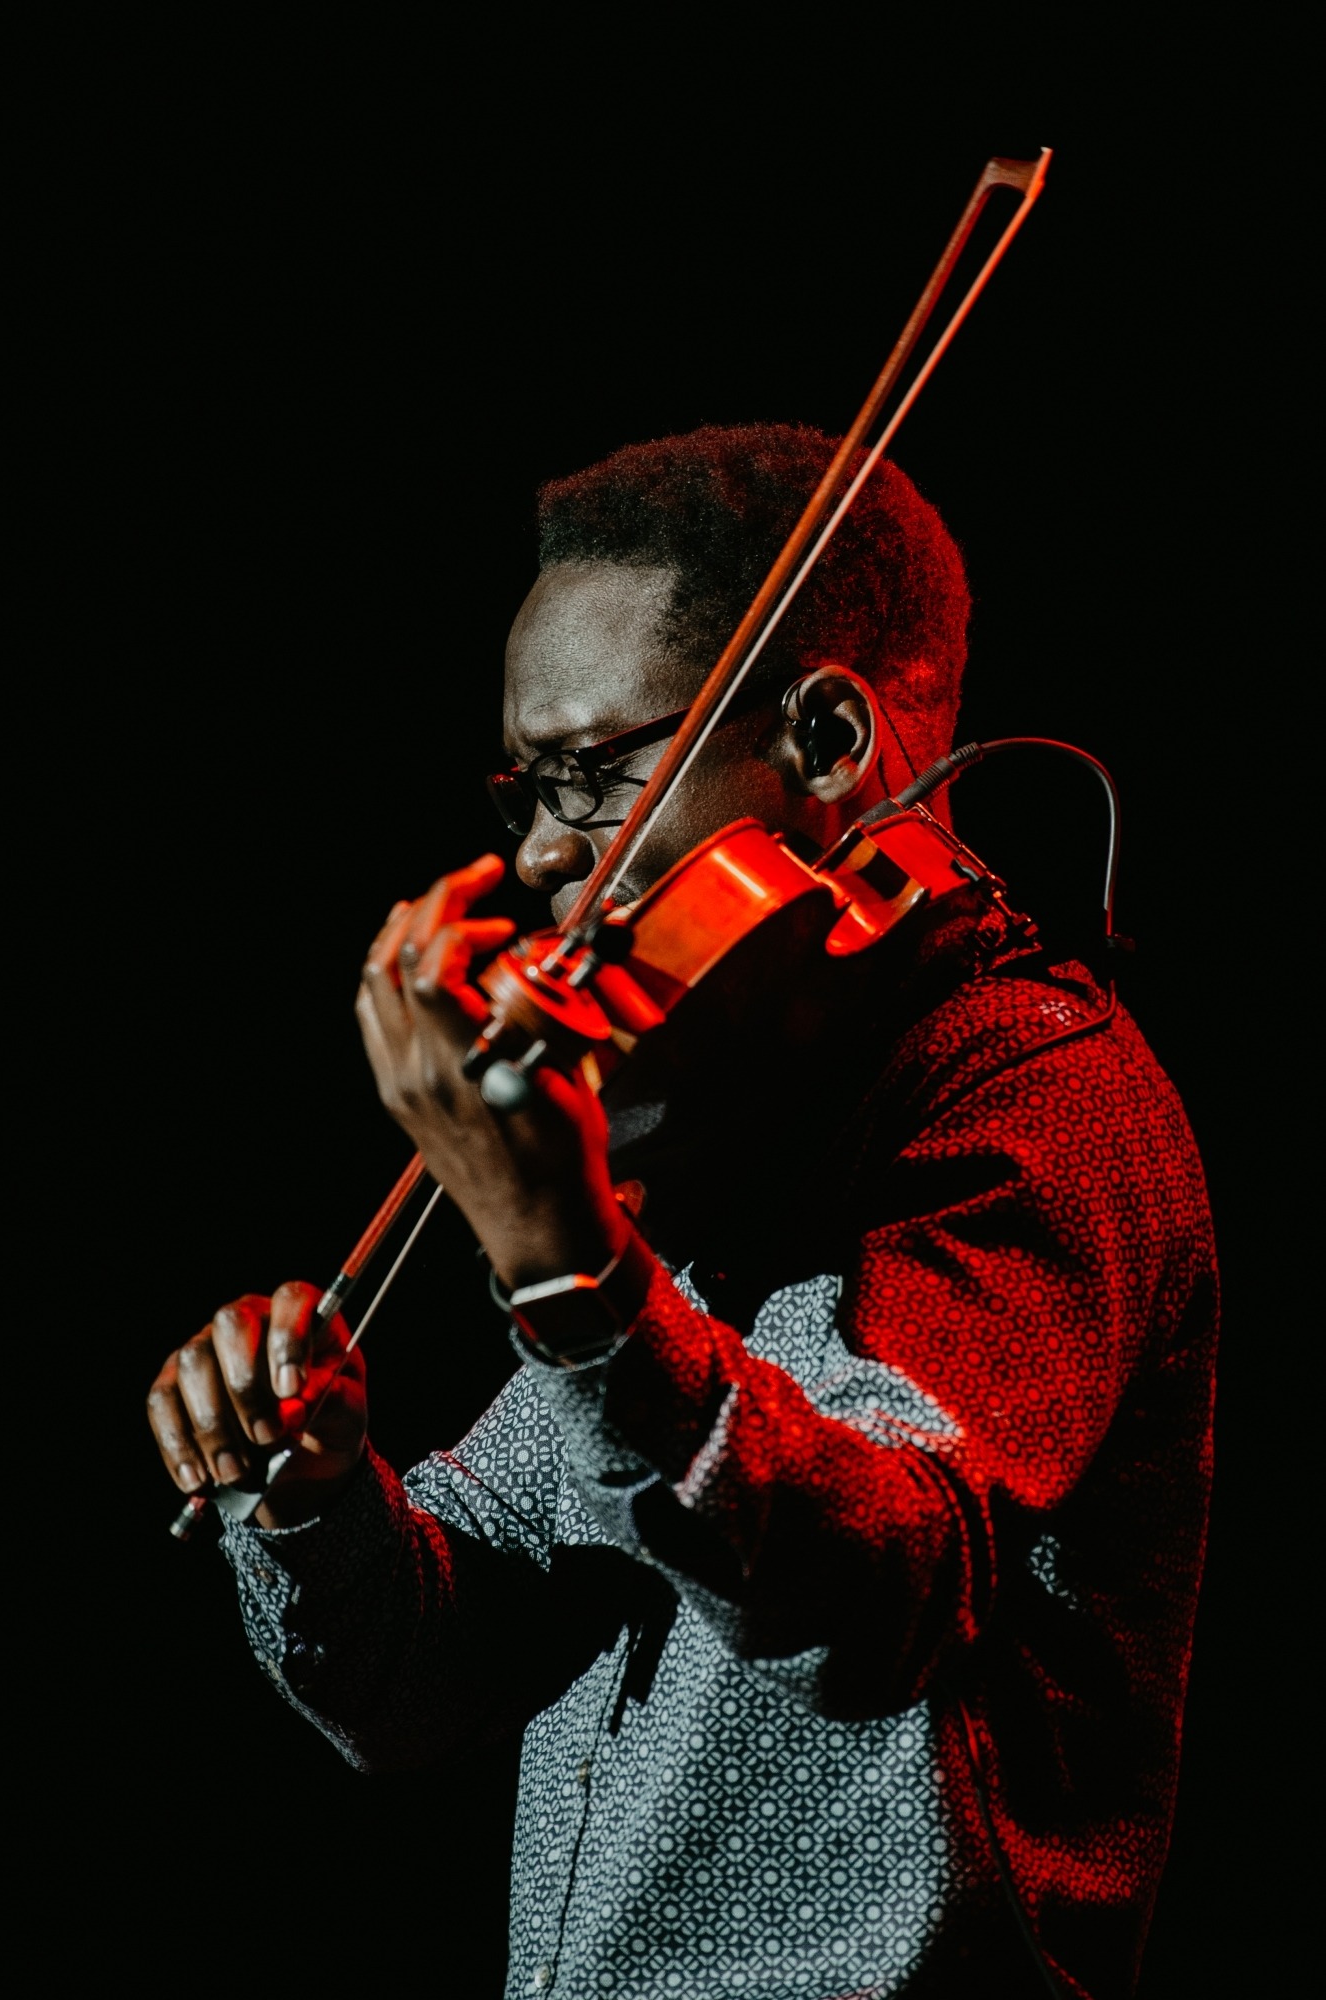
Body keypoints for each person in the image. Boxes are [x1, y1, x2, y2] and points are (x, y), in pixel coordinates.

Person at [146, 424, 1217, 1998]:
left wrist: (579, 1280)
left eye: (591, 775)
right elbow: (435, 1661)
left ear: (832, 738)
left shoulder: (1040, 1097)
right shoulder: (733, 1106)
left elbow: (883, 1585)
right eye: (524, 786)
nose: (534, 854)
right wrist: (315, 1500)